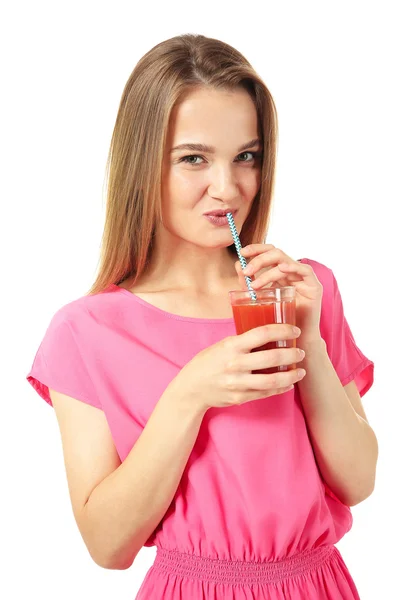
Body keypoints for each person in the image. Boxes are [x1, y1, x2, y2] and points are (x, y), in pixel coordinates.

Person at [26, 33, 377, 599]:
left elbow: (358, 481)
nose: (229, 188)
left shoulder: (303, 290)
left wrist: (307, 338)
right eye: (194, 159)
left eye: (247, 156)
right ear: (143, 164)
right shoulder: (86, 332)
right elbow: (107, 547)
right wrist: (189, 393)